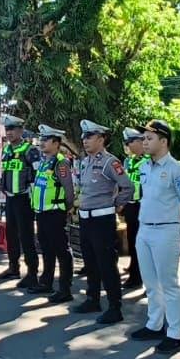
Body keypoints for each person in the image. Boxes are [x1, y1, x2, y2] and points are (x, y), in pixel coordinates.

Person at [127, 120, 180, 355]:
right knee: (151, 283)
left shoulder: (177, 170)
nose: (144, 142)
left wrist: (172, 223)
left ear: (163, 141)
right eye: (143, 138)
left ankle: (175, 333)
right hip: (144, 229)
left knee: (169, 285)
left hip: (166, 230)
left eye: (149, 138)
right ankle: (154, 324)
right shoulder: (145, 166)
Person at [74, 120, 134, 324]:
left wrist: (117, 204)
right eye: (84, 137)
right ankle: (92, 299)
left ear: (101, 139)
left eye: (89, 136)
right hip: (85, 218)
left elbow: (127, 187)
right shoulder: (85, 161)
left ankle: (114, 306)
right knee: (90, 262)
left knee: (107, 264)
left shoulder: (110, 162)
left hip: (102, 219)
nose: (85, 140)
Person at [30, 125, 77, 303]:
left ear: (56, 143)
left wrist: (68, 208)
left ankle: (65, 289)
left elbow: (69, 189)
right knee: (46, 248)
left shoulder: (61, 162)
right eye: (41, 139)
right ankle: (46, 282)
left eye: (46, 139)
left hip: (55, 213)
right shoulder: (43, 161)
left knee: (61, 251)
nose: (42, 143)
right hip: (42, 213)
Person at [0, 114, 42, 289]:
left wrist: (32, 193)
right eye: (7, 129)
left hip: (24, 198)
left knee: (26, 236)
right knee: (11, 234)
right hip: (10, 198)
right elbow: (4, 171)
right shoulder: (6, 150)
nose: (9, 132)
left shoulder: (30, 150)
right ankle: (13, 267)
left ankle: (32, 274)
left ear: (21, 130)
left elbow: (38, 174)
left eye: (12, 129)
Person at [120, 127, 148, 290]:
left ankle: (137, 277)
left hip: (143, 206)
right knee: (131, 241)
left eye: (130, 142)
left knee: (140, 243)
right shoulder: (129, 161)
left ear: (139, 141)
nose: (128, 145)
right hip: (131, 206)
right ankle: (134, 269)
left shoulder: (148, 161)